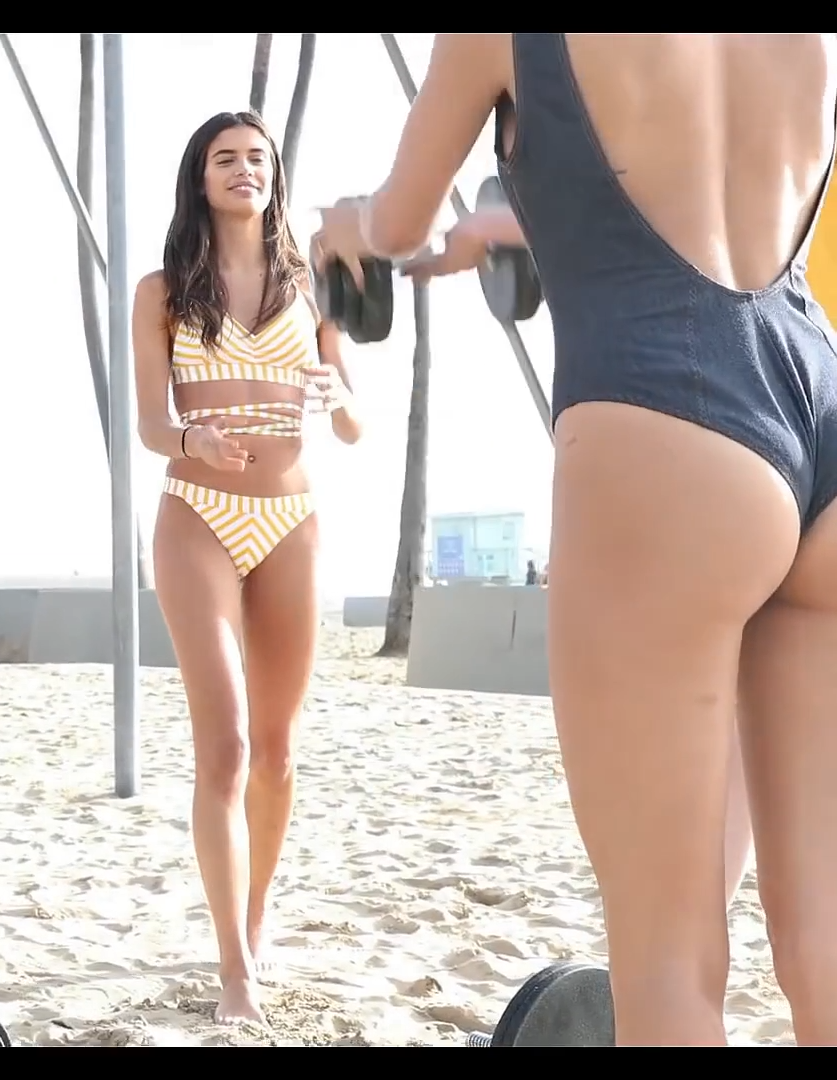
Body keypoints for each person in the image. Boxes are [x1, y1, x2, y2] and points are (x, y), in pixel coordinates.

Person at [312, 34, 836, 1046]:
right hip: (816, 402)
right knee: (826, 940)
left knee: (669, 967)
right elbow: (702, 177)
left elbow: (395, 223)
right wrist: (509, 226)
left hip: (666, 416)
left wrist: (347, 225)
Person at [405, 188, 762, 917]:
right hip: (787, 415)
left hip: (720, 422)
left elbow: (677, 210)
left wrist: (493, 223)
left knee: (685, 722)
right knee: (750, 730)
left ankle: (676, 944)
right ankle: (694, 934)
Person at [131, 110, 363, 1025]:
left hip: (290, 520)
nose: (243, 170)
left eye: (257, 158)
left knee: (276, 752)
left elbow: (353, 423)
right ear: (200, 177)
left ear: (274, 175)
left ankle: (256, 917)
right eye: (225, 158)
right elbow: (151, 425)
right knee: (224, 745)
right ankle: (234, 971)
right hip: (197, 514)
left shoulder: (311, 284)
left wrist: (338, 395)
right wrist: (193, 437)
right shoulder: (162, 290)